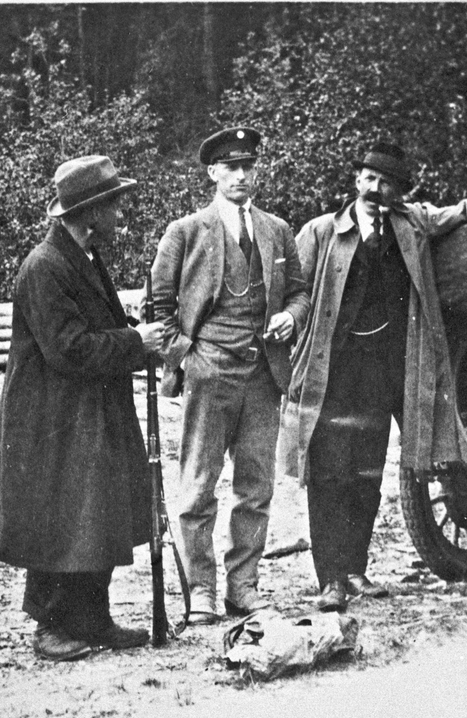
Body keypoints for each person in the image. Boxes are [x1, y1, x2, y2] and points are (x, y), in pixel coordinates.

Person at [285, 143, 467, 611]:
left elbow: (462, 212)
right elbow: (295, 293)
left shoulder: (412, 223)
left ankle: (356, 570)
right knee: (329, 474)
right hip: (336, 370)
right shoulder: (320, 232)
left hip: (387, 366)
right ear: (355, 182)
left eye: (384, 183)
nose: (373, 190)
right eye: (366, 178)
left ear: (399, 192)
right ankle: (330, 580)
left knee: (367, 471)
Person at [0, 155, 165, 661]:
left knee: (95, 514)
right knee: (58, 518)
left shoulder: (86, 257)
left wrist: (128, 332)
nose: (122, 214)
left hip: (88, 409)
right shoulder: (44, 267)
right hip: (51, 417)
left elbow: (92, 331)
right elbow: (69, 349)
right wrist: (135, 341)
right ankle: (51, 625)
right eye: (115, 205)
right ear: (91, 213)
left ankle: (92, 617)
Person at [150, 126, 310, 624]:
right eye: (231, 167)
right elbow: (158, 305)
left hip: (263, 375)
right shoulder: (186, 231)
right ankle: (200, 591)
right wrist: (188, 356)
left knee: (256, 488)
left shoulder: (277, 229)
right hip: (209, 372)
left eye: (249, 166)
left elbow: (300, 293)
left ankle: (244, 588)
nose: (241, 176)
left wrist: (292, 316)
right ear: (212, 173)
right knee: (197, 486)